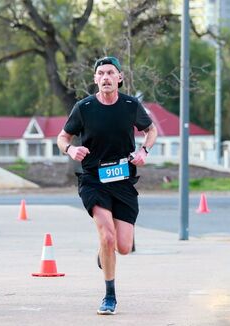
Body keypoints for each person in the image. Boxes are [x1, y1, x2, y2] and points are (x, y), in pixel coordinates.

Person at [57, 56, 157, 315]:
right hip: (93, 179)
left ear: (119, 78)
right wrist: (70, 149)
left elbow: (151, 130)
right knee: (108, 235)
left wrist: (144, 151)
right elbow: (62, 136)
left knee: (123, 247)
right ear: (95, 79)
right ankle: (109, 296)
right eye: (100, 73)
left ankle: (104, 253)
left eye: (110, 73)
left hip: (123, 179)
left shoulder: (130, 105)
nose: (105, 77)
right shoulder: (84, 107)